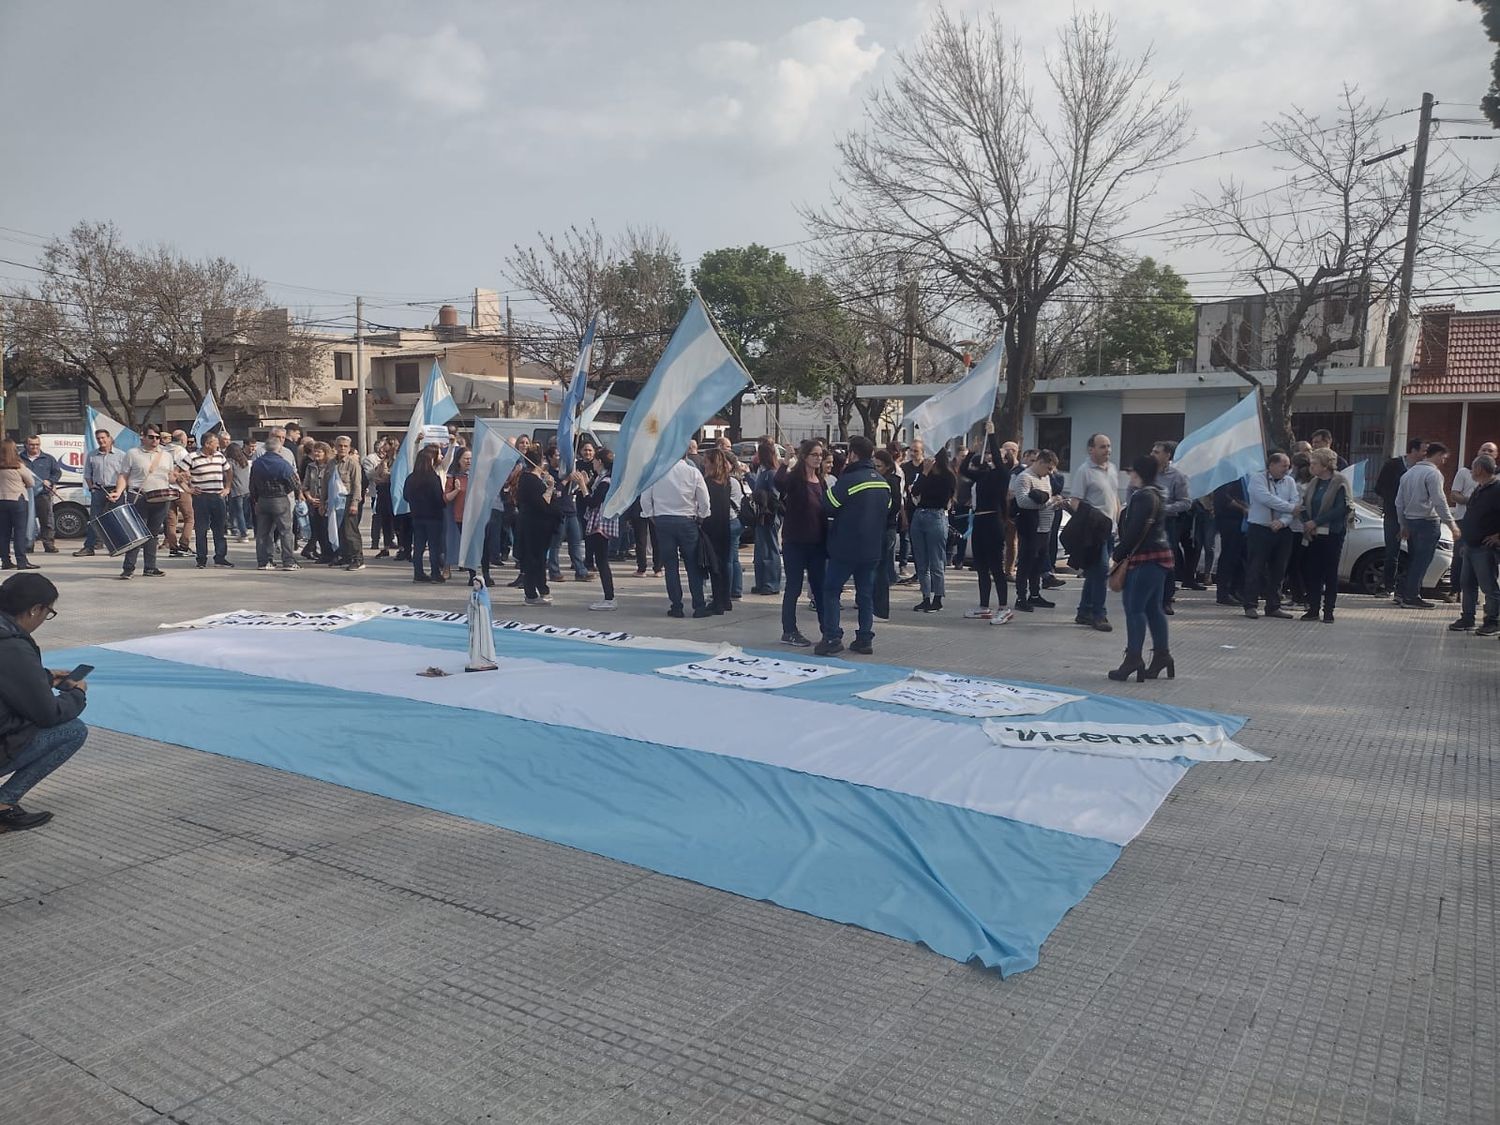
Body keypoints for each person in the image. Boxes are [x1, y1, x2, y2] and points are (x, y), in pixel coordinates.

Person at [0, 573, 88, 832]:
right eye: (47, 612)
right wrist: (77, 695)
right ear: (35, 609)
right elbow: (47, 714)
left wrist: (43, 677)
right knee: (73, 730)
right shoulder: (11, 645)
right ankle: (4, 805)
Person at [817, 435, 890, 656]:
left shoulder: (849, 480)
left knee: (831, 590)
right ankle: (864, 639)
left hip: (846, 548)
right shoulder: (882, 481)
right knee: (865, 595)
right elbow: (887, 509)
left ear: (853, 454)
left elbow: (828, 504)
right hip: (872, 549)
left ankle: (832, 638)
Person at [1108, 455, 1174, 682]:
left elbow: (1134, 529)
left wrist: (1117, 554)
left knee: (1134, 608)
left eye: (1131, 472)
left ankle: (1133, 658)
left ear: (1138, 473)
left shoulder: (1142, 496)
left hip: (1144, 558)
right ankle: (1162, 656)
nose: (1129, 476)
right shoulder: (1158, 493)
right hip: (1160, 557)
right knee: (1153, 608)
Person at [642, 449, 712, 619]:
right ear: (685, 455)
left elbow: (645, 498)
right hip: (687, 520)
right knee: (693, 565)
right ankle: (699, 605)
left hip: (663, 521)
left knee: (670, 566)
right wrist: (702, 516)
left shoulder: (656, 473)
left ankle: (676, 606)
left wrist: (651, 515)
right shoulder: (693, 472)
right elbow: (704, 499)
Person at [1394, 442, 1460, 610]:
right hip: (1427, 522)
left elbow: (1399, 503)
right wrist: (1452, 525)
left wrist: (1403, 524)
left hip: (1410, 521)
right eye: (1443, 458)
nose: (1443, 462)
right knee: (1421, 561)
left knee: (1413, 560)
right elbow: (1439, 501)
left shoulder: (1408, 474)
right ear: (1437, 455)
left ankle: (1402, 593)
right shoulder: (1433, 474)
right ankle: (1411, 597)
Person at [962, 426, 1014, 622]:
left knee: (995, 567)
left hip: (993, 521)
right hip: (980, 521)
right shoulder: (984, 475)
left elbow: (999, 462)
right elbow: (963, 470)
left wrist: (992, 433)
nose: (995, 455)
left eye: (1001, 454)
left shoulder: (1003, 475)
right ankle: (984, 606)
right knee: (981, 566)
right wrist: (972, 452)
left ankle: (1003, 606)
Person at [1071, 432, 1120, 631]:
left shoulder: (1113, 469)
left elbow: (1114, 497)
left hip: (1110, 530)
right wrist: (1092, 519)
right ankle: (1099, 615)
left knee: (1094, 574)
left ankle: (1084, 611)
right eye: (1102, 446)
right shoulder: (1084, 471)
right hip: (1094, 531)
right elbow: (1075, 502)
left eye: (1108, 446)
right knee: (1100, 573)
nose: (1107, 450)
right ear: (1091, 449)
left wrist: (1118, 522)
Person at [1242, 453, 1300, 619]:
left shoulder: (1289, 481)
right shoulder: (1257, 479)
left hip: (1282, 530)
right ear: (1272, 465)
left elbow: (1296, 503)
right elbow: (1266, 499)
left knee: (1279, 569)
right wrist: (1290, 508)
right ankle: (1250, 605)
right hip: (1260, 529)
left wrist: (1283, 521)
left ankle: (1273, 605)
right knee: (1255, 567)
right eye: (1283, 465)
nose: (1287, 469)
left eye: (1288, 466)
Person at [1298, 448, 1352, 623]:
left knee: (1329, 572)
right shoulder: (1314, 482)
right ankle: (1313, 608)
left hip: (1332, 534)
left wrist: (1317, 521)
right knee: (1312, 572)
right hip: (1312, 534)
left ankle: (1328, 610)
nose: (1311, 466)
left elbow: (1340, 509)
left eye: (1314, 463)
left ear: (1325, 465)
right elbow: (1304, 504)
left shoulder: (1339, 482)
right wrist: (1307, 521)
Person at [1450, 454, 1500, 635]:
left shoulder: (1497, 489)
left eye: (1473, 467)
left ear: (1480, 469)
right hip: (1470, 545)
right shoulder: (1479, 489)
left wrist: (1497, 536)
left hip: (1485, 548)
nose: (1471, 471)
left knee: (1488, 586)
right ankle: (1467, 617)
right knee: (1467, 584)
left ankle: (1493, 621)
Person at [116, 425, 174, 580]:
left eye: (157, 437)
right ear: (143, 437)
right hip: (139, 497)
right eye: (151, 437)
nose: (155, 440)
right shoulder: (133, 453)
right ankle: (128, 568)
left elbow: (170, 476)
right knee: (137, 534)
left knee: (153, 534)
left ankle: (150, 567)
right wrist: (118, 492)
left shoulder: (166, 455)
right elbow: (124, 475)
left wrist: (181, 478)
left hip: (161, 498)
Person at [1375, 437, 1426, 595]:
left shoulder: (1423, 469)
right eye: (1424, 450)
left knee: (1414, 553)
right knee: (1391, 553)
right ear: (1413, 450)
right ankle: (1387, 586)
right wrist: (1396, 500)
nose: (1426, 454)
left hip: (1414, 516)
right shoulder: (1393, 465)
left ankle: (1407, 589)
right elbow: (1379, 488)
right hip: (1393, 515)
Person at [1010, 449, 1059, 613]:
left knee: (1038, 565)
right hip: (1031, 528)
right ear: (1041, 462)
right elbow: (1022, 502)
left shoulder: (1045, 478)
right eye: (1048, 468)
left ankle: (1035, 594)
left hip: (1045, 527)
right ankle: (1021, 597)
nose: (1050, 472)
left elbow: (1048, 498)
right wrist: (1048, 502)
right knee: (1026, 564)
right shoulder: (1024, 477)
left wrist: (1055, 503)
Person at [910, 449, 957, 612]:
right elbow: (915, 491)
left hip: (936, 516)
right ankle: (925, 597)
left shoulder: (948, 477)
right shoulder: (925, 474)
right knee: (921, 562)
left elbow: (943, 498)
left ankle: (938, 597)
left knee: (936, 560)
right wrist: (924, 473)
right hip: (919, 515)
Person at [1150, 441, 1191, 613]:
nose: (1152, 454)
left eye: (1157, 452)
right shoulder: (1146, 473)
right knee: (1147, 560)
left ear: (1167, 455)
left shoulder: (1177, 477)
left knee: (1167, 561)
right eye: (1152, 451)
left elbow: (1186, 503)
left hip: (1167, 524)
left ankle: (1166, 599)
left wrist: (1164, 508)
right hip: (1147, 523)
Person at [515, 448, 559, 605]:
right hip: (533, 527)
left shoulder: (533, 478)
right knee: (533, 560)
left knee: (538, 560)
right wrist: (550, 488)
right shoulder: (529, 480)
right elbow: (542, 504)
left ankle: (541, 588)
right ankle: (531, 593)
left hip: (538, 527)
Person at [74, 428, 127, 557]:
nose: (101, 440)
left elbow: (125, 475)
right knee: (94, 519)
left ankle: (120, 545)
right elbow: (87, 474)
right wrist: (91, 487)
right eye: (98, 438)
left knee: (117, 518)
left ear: (109, 438)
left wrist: (119, 490)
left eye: (103, 438)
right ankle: (89, 547)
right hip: (98, 490)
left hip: (115, 490)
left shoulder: (121, 455)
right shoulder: (92, 455)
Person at [249, 435, 299, 570]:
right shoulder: (283, 464)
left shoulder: (257, 463)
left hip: (263, 499)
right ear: (279, 448)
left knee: (263, 533)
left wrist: (255, 499)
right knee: (286, 531)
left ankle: (264, 561)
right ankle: (288, 561)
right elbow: (294, 483)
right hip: (280, 499)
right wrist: (285, 491)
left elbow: (252, 485)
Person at [580, 448, 619, 610]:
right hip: (599, 522)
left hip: (601, 524)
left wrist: (582, 485)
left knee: (602, 561)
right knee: (601, 560)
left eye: (595, 460)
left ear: (600, 462)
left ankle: (609, 597)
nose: (593, 463)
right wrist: (586, 482)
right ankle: (608, 596)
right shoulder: (601, 478)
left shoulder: (606, 481)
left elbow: (593, 501)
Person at [701, 448, 736, 614]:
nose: (703, 464)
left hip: (711, 527)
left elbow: (703, 505)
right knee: (723, 564)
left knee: (714, 566)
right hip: (724, 526)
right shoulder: (727, 482)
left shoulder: (707, 483)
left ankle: (718, 603)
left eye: (706, 461)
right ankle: (725, 599)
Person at [750, 438, 783, 595]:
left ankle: (771, 583)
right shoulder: (762, 472)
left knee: (769, 549)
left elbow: (775, 495)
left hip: (769, 514)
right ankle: (761, 581)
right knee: (760, 550)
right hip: (760, 515)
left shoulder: (771, 474)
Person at [20, 437, 63, 554]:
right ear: (26, 445)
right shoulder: (19, 459)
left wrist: (50, 481)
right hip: (25, 494)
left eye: (37, 444)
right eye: (32, 445)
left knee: (47, 520)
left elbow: (57, 472)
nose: (35, 447)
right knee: (27, 520)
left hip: (43, 494)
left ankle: (48, 544)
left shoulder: (48, 459)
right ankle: (28, 544)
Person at [0, 442, 38, 571]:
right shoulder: (18, 466)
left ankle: (5, 561)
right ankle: (22, 561)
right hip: (18, 500)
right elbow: (31, 482)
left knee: (3, 533)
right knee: (19, 532)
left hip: (1, 501)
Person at [1211, 477, 1249, 605]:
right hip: (1230, 519)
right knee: (1229, 555)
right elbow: (1223, 498)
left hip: (1243, 521)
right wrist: (1242, 507)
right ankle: (1224, 592)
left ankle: (1236, 590)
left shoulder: (1244, 475)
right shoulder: (1226, 476)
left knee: (1240, 556)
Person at [329, 436, 365, 571]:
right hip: (334, 500)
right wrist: (323, 501)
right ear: (335, 447)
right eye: (340, 446)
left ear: (349, 448)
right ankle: (345, 556)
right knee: (339, 530)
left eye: (345, 446)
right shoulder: (331, 463)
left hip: (348, 499)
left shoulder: (353, 464)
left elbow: (357, 485)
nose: (342, 448)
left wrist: (355, 503)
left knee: (350, 531)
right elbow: (326, 482)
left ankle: (358, 559)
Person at [162, 430, 195, 557]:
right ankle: (184, 545)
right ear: (182, 440)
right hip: (181, 489)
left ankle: (173, 547)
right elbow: (185, 472)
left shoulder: (163, 451)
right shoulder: (182, 452)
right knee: (189, 518)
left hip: (166, 489)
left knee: (171, 521)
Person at [300, 443, 333, 563]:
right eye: (315, 451)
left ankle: (331, 554)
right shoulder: (310, 466)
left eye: (319, 451)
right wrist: (310, 498)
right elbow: (305, 485)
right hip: (313, 501)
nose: (316, 454)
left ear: (325, 452)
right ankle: (324, 554)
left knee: (327, 529)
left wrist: (325, 501)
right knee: (317, 529)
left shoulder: (331, 466)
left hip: (327, 502)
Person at [369, 439, 397, 557]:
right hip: (382, 493)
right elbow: (375, 476)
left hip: (393, 493)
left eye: (385, 445)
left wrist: (383, 476)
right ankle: (386, 547)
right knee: (384, 520)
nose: (382, 447)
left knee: (397, 521)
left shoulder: (398, 461)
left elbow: (387, 476)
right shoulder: (382, 461)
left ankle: (402, 547)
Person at [225, 443, 252, 542]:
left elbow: (227, 475)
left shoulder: (230, 462)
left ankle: (243, 532)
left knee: (238, 512)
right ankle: (243, 528)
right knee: (243, 512)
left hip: (236, 490)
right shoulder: (244, 461)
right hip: (246, 489)